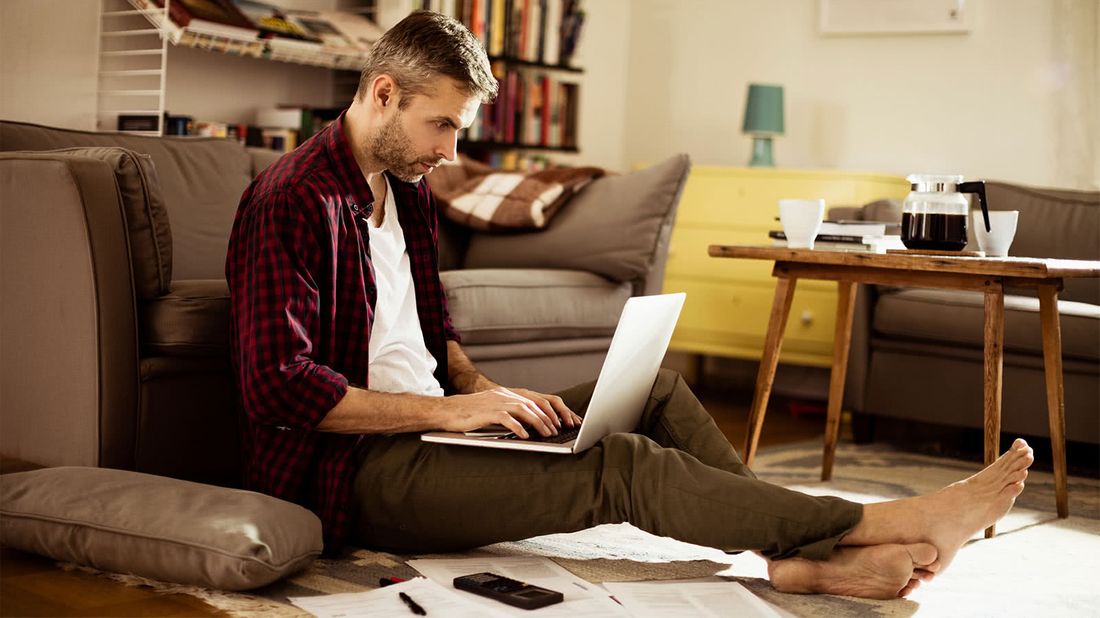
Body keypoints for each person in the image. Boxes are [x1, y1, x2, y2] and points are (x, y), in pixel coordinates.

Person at [226, 10, 1034, 600]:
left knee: (657, 392)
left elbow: (430, 334)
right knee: (622, 468)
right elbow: (279, 389)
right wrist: (448, 417)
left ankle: (797, 559)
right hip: (355, 476)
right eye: (441, 124)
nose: (449, 152)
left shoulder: (406, 190)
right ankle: (872, 523)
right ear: (381, 92)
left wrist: (478, 393)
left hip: (432, 427)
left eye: (459, 130)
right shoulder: (290, 199)